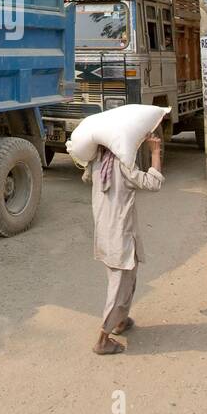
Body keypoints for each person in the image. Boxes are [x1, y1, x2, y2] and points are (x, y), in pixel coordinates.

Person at [82, 130, 164, 355]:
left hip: (107, 232)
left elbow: (86, 177)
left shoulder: (97, 162)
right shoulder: (123, 165)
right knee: (119, 285)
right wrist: (155, 152)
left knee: (129, 276)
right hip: (120, 234)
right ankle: (102, 339)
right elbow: (153, 183)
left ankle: (121, 321)